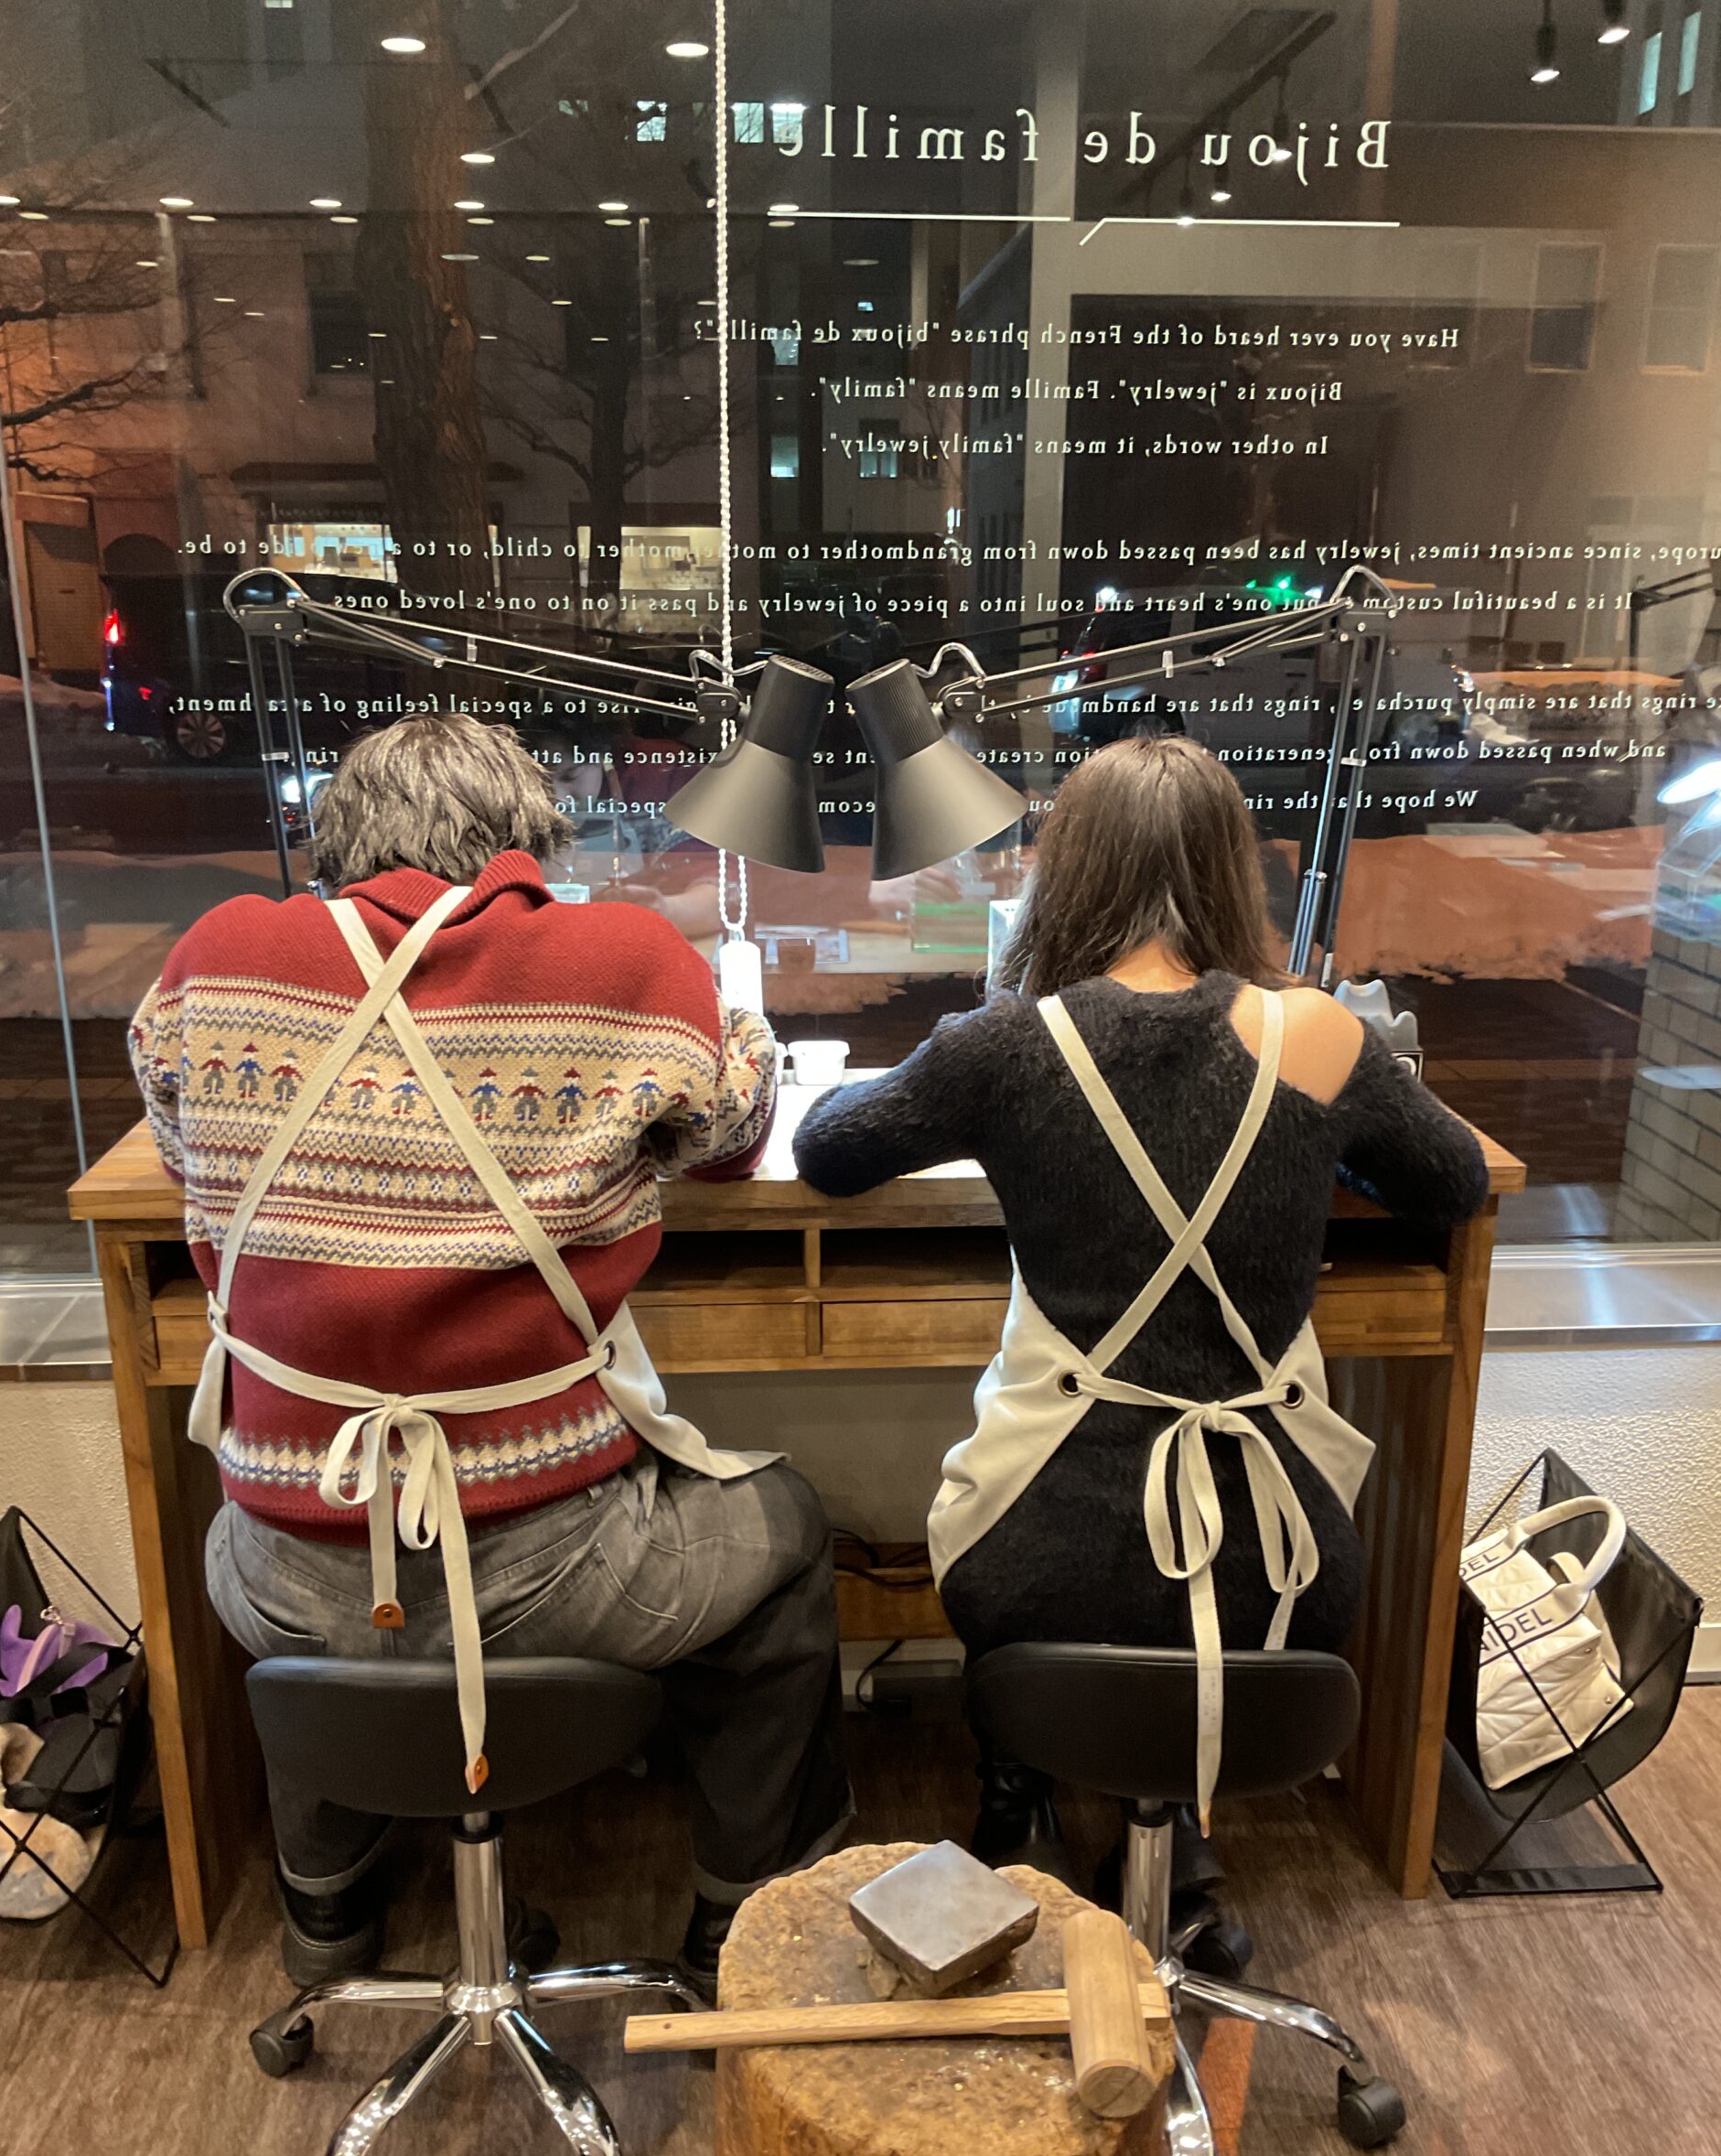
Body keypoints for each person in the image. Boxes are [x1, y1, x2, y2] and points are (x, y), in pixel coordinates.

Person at [129, 713, 851, 1992]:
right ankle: (737, 1915)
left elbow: (182, 1146)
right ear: (528, 837)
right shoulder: (621, 959)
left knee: (305, 1575)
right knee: (787, 1524)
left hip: (285, 1562)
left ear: (339, 837)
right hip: (551, 1564)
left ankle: (325, 1914)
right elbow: (734, 1138)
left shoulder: (216, 957)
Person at [792, 736, 1488, 1908]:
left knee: (1021, 1544)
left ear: (1063, 876)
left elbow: (828, 1150)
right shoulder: (1318, 1036)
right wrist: (1317, 1147)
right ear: (1233, 875)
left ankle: (1016, 1786)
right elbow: (1452, 1184)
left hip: (1039, 1555)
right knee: (1186, 1589)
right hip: (1284, 1561)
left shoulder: (1007, 1046)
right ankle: (1178, 1833)